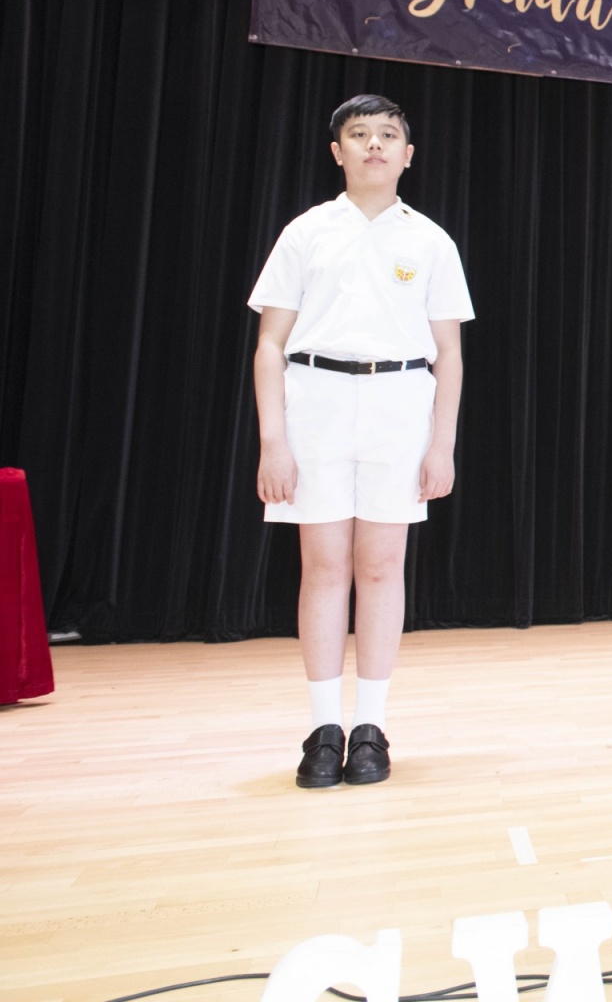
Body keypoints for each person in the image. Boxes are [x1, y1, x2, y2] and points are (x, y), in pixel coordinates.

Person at [251, 95, 474, 789]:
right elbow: (269, 345)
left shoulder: (430, 241)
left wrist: (442, 445)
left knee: (380, 567)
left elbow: (448, 354)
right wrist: (272, 441)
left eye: (387, 135)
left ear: (407, 155)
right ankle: (324, 730)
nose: (373, 145)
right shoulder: (306, 232)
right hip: (315, 401)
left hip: (398, 404)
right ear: (337, 151)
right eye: (359, 134)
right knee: (322, 567)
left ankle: (371, 727)